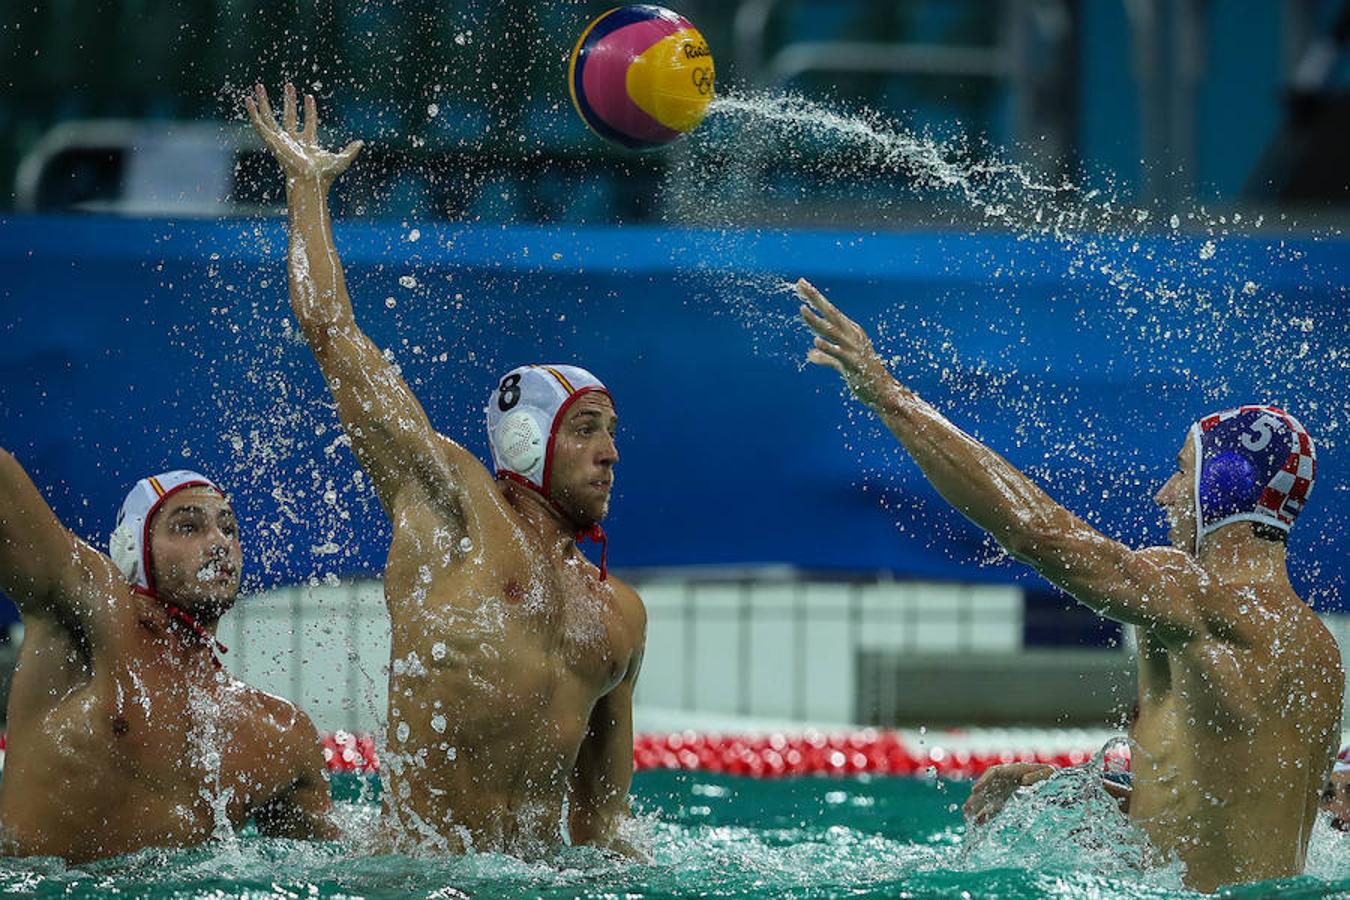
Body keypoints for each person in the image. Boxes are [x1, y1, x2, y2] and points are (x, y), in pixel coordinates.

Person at [795, 278, 1342, 892]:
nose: (1163, 495)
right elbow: (1229, 805)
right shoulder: (1319, 649)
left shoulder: (1200, 600)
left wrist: (887, 395)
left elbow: (1036, 533)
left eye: (1181, 473)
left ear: (1224, 486)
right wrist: (1080, 788)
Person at [244, 84, 646, 856]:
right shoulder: (453, 506)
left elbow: (601, 831)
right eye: (588, 431)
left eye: (614, 433)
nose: (611, 452)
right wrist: (305, 189)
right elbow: (333, 335)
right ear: (529, 442)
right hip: (416, 876)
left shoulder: (620, 615)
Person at [0, 459, 338, 863]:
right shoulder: (91, 617)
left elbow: (334, 868)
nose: (218, 542)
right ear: (132, 550)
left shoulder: (282, 734)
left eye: (228, 528)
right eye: (189, 526)